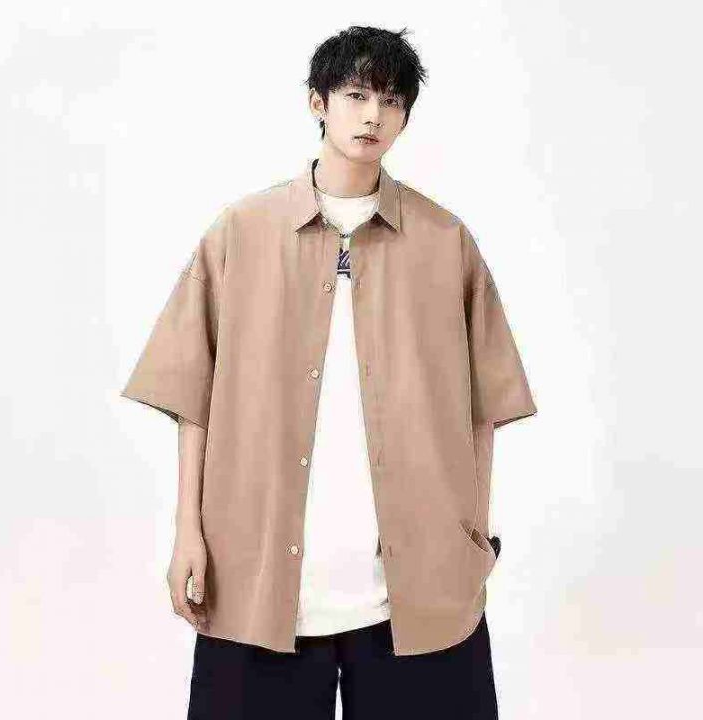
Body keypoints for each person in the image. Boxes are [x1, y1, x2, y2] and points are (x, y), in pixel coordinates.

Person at [121, 25, 537, 720]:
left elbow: (484, 408)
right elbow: (192, 399)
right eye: (356, 95)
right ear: (318, 102)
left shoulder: (445, 242)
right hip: (258, 583)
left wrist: (472, 536)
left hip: (417, 590)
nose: (373, 115)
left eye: (392, 101)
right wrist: (187, 531)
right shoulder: (241, 234)